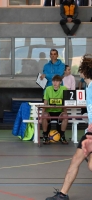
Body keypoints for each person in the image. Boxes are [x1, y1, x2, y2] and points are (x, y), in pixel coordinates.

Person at [45, 54, 92, 200]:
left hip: (91, 133)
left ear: (85, 71)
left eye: (80, 69)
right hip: (89, 132)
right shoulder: (88, 87)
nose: (79, 72)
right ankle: (63, 195)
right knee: (75, 161)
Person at [41, 75, 68, 145]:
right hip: (49, 111)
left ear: (60, 82)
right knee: (45, 116)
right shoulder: (48, 89)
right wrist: (41, 116)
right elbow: (45, 104)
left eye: (57, 81)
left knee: (65, 116)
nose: (55, 83)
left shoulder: (64, 89)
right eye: (53, 81)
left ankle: (62, 136)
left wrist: (66, 113)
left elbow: (66, 104)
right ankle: (45, 135)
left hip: (59, 112)